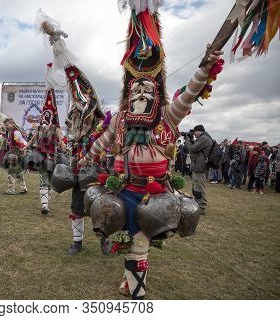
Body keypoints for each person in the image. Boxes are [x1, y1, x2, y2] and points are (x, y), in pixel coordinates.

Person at [78, 2, 223, 299]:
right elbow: (99, 145)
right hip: (121, 191)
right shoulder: (118, 120)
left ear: (157, 93)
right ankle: (132, 277)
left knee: (139, 242)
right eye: (136, 89)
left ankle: (136, 293)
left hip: (152, 195)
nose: (141, 91)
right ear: (127, 94)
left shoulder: (168, 117)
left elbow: (191, 91)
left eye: (147, 88)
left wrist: (205, 65)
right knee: (127, 237)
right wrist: (85, 157)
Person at [36, 9, 106, 256]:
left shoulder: (95, 117)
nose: (76, 111)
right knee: (77, 206)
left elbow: (75, 79)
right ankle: (77, 242)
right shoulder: (72, 125)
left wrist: (61, 49)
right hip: (78, 168)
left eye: (80, 107)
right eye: (74, 111)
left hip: (97, 169)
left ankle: (103, 241)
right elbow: (71, 85)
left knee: (100, 206)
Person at [21, 66, 66, 214]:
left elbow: (62, 142)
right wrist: (25, 147)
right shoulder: (39, 129)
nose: (45, 120)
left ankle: (46, 201)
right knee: (44, 179)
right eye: (44, 118)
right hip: (41, 157)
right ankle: (44, 206)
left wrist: (63, 144)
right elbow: (32, 141)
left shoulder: (55, 129)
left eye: (48, 117)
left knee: (52, 180)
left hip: (54, 157)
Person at [184, 125, 213, 214]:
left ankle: (201, 207)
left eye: (194, 132)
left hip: (200, 166)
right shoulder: (204, 138)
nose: (193, 133)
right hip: (198, 165)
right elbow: (196, 148)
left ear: (199, 131)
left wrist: (187, 141)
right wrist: (191, 140)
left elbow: (193, 149)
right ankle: (198, 205)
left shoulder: (204, 138)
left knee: (200, 187)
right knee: (196, 186)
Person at [3, 118, 28, 195]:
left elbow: (23, 142)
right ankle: (23, 188)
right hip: (13, 153)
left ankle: (11, 190)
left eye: (7, 125)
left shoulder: (16, 132)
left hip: (16, 154)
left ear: (12, 124)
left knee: (11, 171)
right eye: (5, 125)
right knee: (18, 171)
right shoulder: (9, 132)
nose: (6, 127)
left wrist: (22, 149)